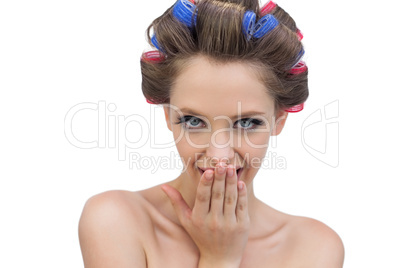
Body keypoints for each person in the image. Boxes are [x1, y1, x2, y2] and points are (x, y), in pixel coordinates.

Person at [78, 0, 345, 267]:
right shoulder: (115, 219)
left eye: (247, 123)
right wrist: (219, 259)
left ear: (278, 121)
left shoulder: (313, 248)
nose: (219, 156)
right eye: (193, 121)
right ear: (168, 118)